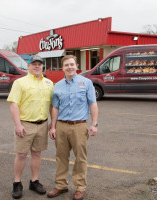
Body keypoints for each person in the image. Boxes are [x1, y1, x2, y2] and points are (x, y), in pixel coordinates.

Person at [47, 55, 98, 200]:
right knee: (61, 157)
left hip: (79, 126)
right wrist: (53, 126)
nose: (69, 67)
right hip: (61, 126)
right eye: (66, 65)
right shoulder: (57, 85)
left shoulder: (86, 83)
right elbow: (55, 107)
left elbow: (93, 104)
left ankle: (80, 188)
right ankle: (61, 185)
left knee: (80, 158)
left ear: (76, 66)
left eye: (72, 64)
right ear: (62, 68)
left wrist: (94, 124)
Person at [7, 55, 54, 199]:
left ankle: (34, 181)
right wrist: (18, 124)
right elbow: (14, 103)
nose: (37, 66)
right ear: (28, 66)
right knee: (21, 154)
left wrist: (53, 123)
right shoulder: (20, 83)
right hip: (26, 125)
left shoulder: (49, 83)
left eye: (40, 64)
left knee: (37, 154)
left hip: (43, 124)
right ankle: (17, 183)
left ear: (43, 66)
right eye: (34, 64)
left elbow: (52, 105)